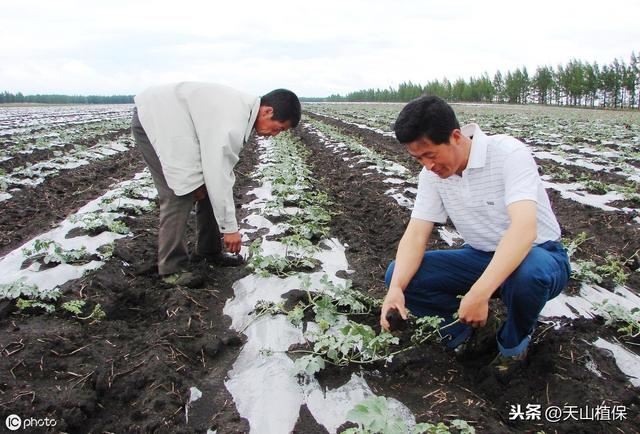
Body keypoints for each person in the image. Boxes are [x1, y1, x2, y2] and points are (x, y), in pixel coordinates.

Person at [379, 96, 570, 374]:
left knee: (529, 275)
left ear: (456, 137)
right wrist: (395, 289)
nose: (428, 165)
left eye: (430, 155)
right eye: (418, 158)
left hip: (539, 255)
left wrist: (480, 292)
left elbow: (524, 230)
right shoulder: (431, 175)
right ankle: (464, 334)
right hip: (480, 255)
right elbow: (416, 234)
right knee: (401, 274)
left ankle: (512, 348)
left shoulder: (507, 154)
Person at [131, 82, 301, 287]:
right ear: (268, 111)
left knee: (206, 187)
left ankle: (208, 252)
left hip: (179, 124)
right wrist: (230, 229)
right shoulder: (232, 123)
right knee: (179, 192)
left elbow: (216, 176)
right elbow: (217, 174)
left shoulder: (242, 112)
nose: (275, 134)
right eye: (279, 128)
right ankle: (172, 268)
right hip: (156, 119)